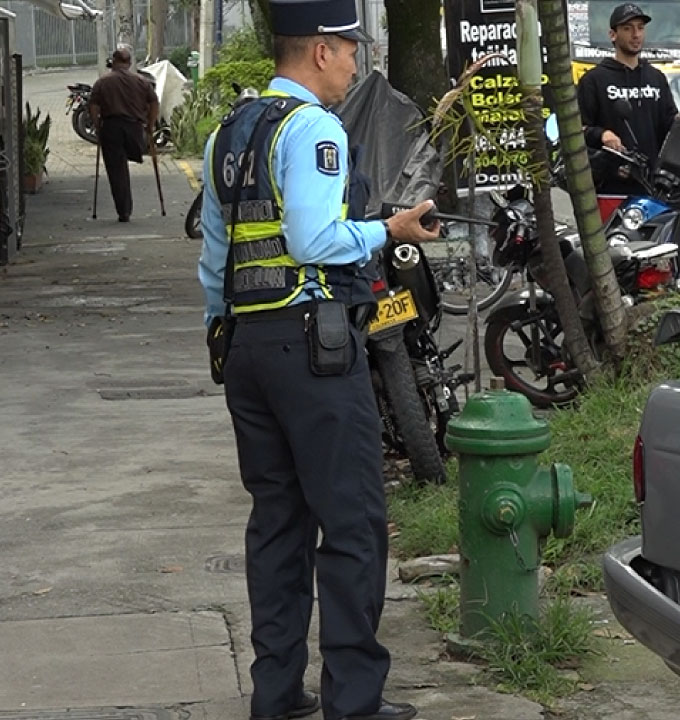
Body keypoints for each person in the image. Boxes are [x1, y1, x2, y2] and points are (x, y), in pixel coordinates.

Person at [195, 0, 438, 718]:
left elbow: (217, 262)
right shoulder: (313, 129)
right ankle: (354, 701)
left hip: (247, 348)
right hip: (314, 349)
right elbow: (313, 238)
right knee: (354, 521)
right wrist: (386, 227)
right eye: (351, 48)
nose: (358, 62)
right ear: (320, 51)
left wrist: (224, 332)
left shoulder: (227, 134)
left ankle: (275, 696)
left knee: (277, 522)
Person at [578, 2, 678, 202]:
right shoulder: (593, 80)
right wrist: (602, 134)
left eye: (640, 28)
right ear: (613, 35)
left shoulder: (656, 78)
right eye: (627, 28)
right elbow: (577, 130)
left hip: (653, 188)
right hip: (610, 188)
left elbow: (670, 124)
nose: (636, 34)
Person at [89, 47, 159, 222]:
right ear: (129, 63)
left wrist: (97, 126)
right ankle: (134, 155)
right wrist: (150, 125)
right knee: (130, 157)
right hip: (134, 129)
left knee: (116, 170)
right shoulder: (141, 81)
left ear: (113, 62)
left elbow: (93, 105)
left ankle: (124, 210)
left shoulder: (103, 82)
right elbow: (154, 102)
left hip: (111, 127)